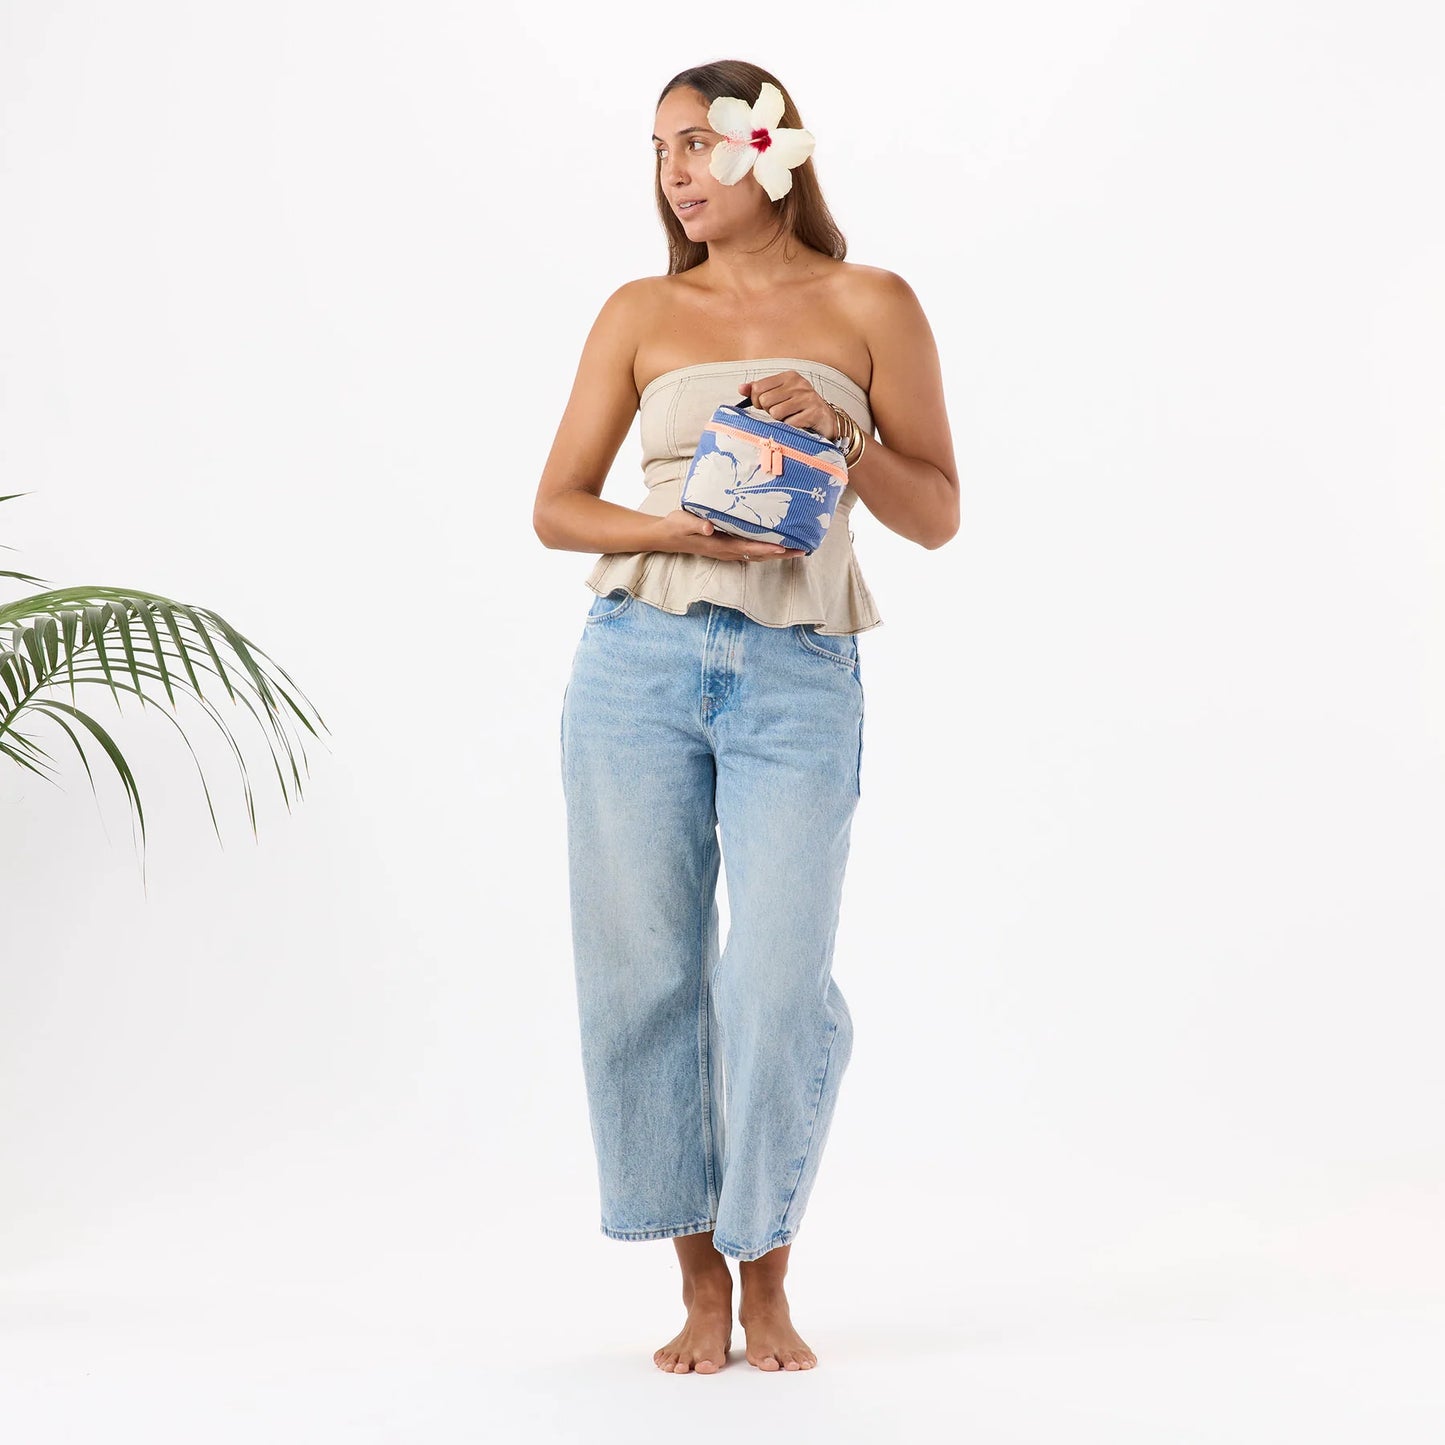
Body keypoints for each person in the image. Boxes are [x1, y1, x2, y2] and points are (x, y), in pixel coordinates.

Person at [533, 59, 958, 1375]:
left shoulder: (872, 302)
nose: (674, 171)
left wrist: (842, 435)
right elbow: (557, 507)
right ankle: (698, 1286)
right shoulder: (639, 310)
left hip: (796, 671)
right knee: (641, 977)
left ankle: (766, 1261)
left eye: (696, 143)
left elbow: (938, 514)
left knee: (773, 981)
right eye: (659, 149)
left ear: (767, 150)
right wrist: (676, 529)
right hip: (636, 661)